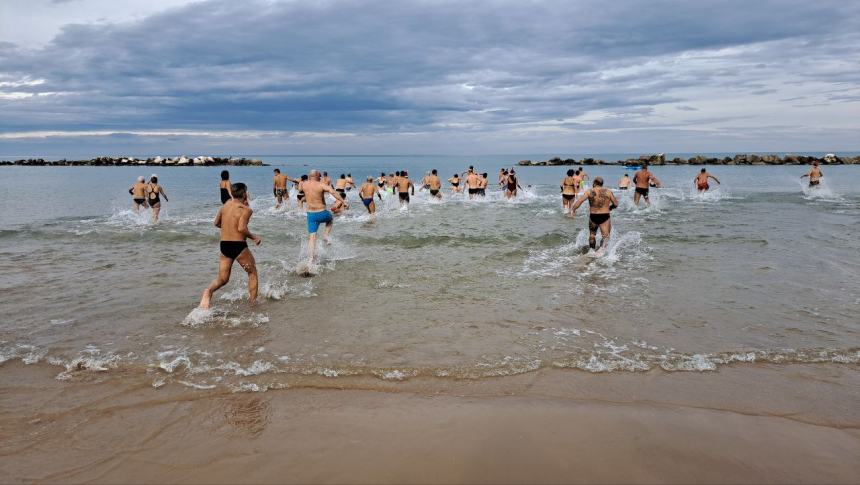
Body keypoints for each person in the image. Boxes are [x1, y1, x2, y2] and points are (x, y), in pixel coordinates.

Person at [198, 182, 261, 309]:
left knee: (223, 279)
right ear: (244, 194)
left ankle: (208, 291)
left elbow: (216, 223)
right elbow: (242, 228)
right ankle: (253, 304)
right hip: (238, 246)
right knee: (252, 273)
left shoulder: (225, 206)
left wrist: (229, 229)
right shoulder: (246, 210)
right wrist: (255, 237)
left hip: (224, 245)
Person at [303, 170, 347, 263]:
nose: (320, 177)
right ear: (316, 176)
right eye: (319, 176)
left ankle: (310, 259)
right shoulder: (321, 185)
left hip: (310, 214)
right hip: (322, 212)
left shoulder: (304, 184)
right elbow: (333, 192)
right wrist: (343, 201)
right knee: (330, 218)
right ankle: (326, 236)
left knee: (312, 237)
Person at [571, 177, 619, 252]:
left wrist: (573, 209)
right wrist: (610, 208)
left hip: (593, 216)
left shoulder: (589, 191)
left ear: (594, 183)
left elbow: (580, 201)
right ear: (602, 184)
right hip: (604, 216)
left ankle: (591, 251)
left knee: (592, 235)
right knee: (605, 236)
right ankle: (601, 251)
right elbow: (616, 204)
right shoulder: (608, 192)